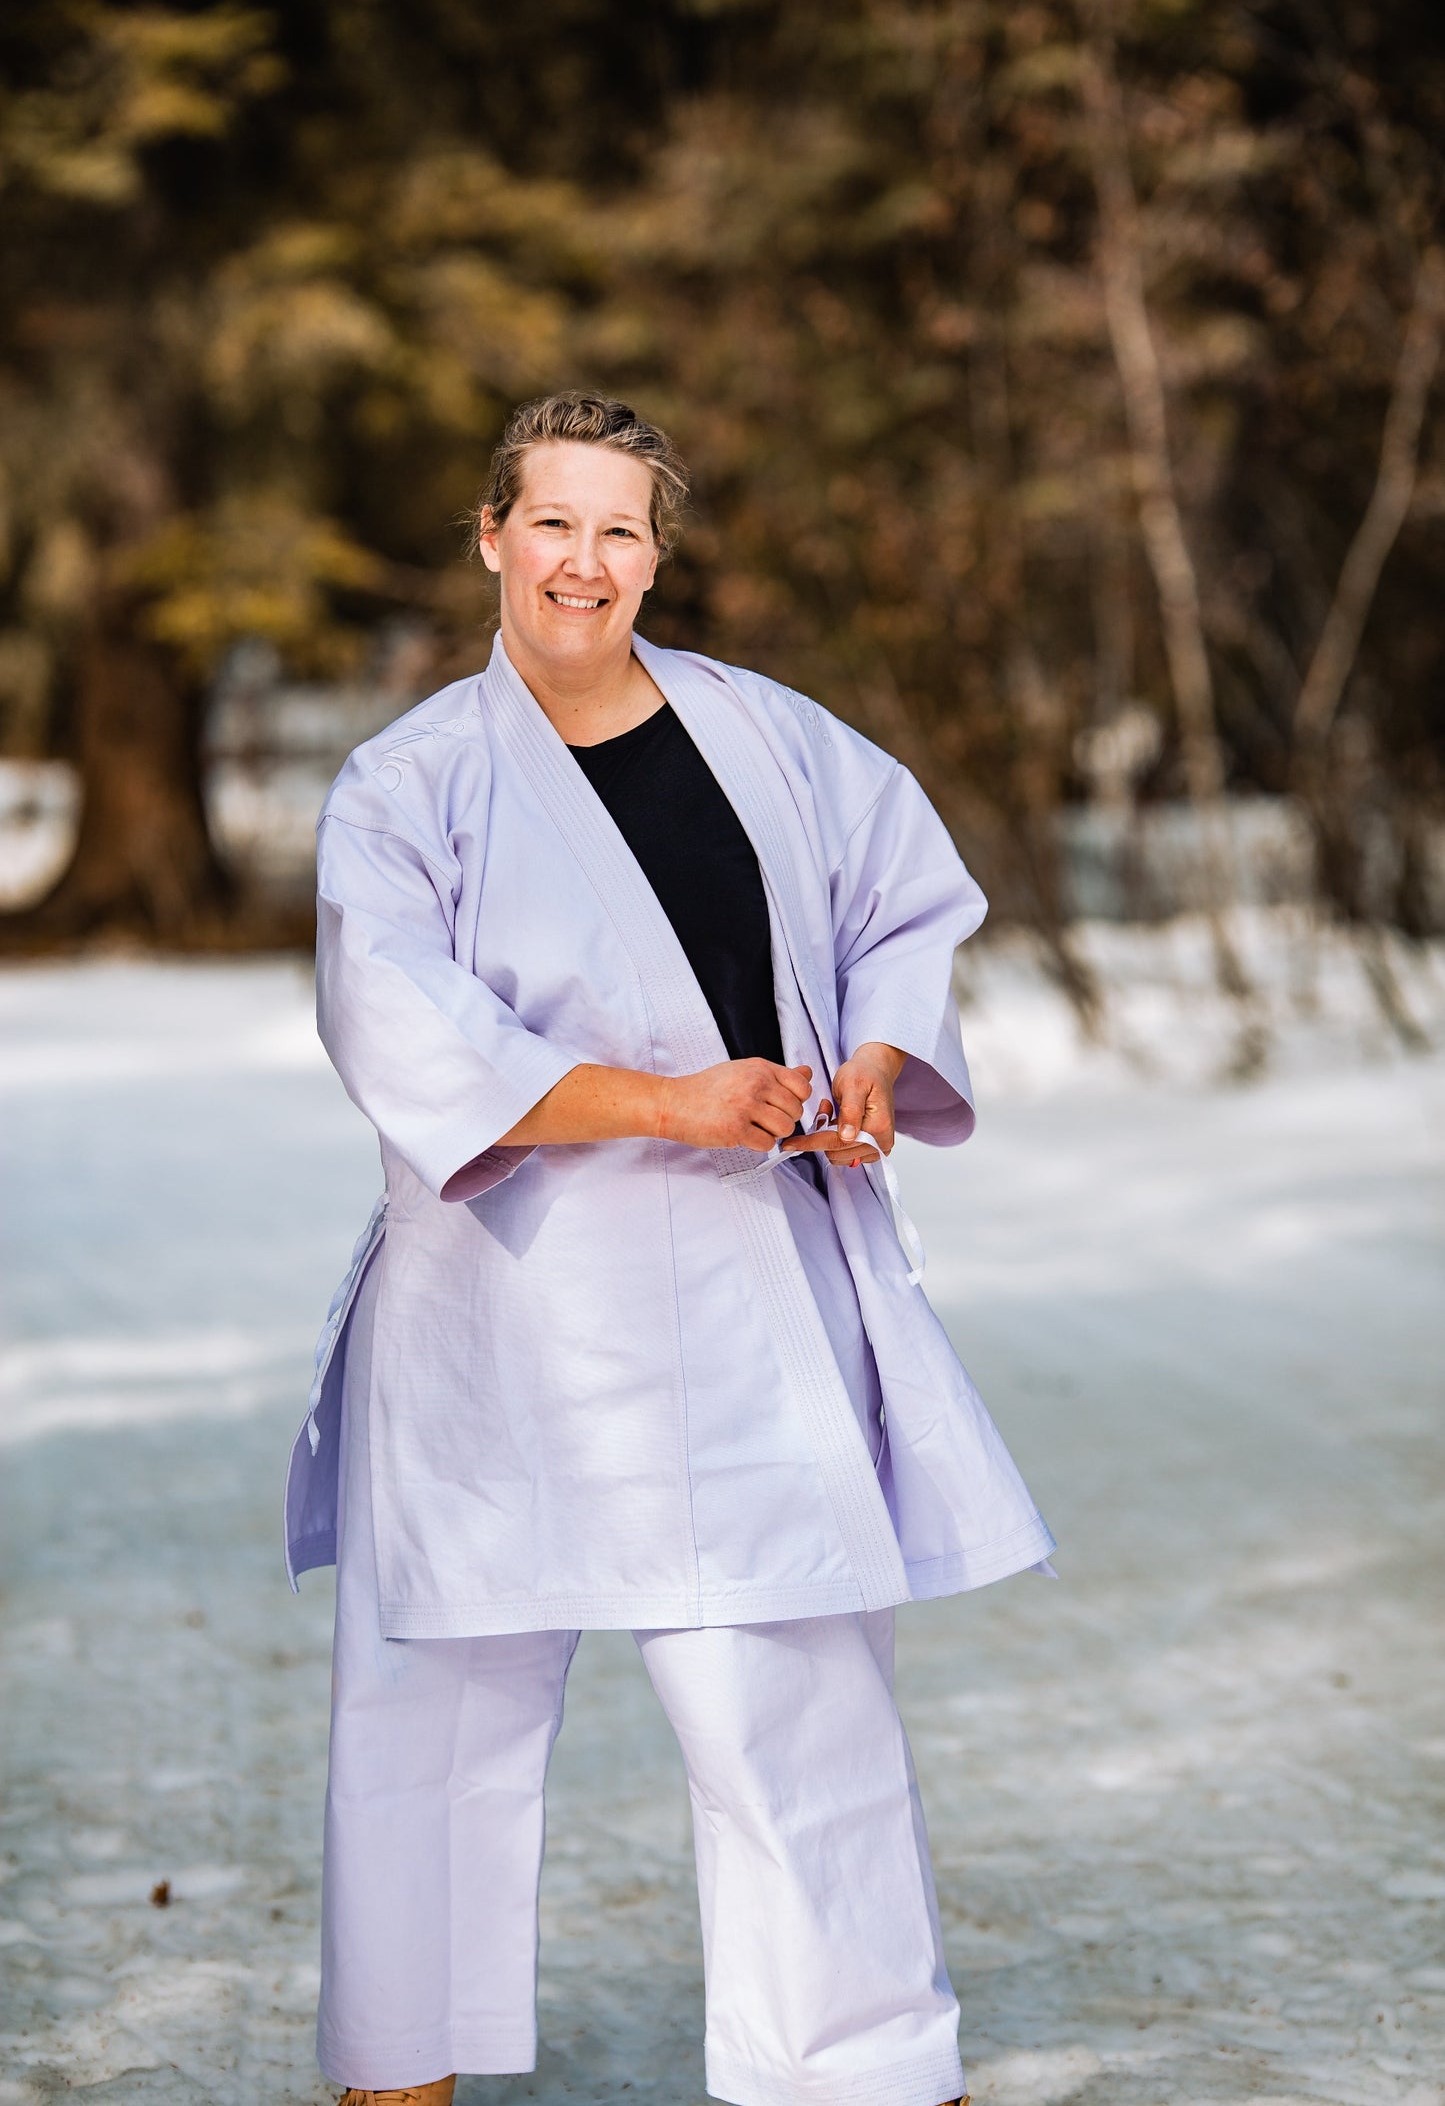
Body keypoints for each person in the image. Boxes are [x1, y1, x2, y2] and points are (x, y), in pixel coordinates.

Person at [285, 391, 1054, 2106]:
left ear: (657, 553)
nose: (585, 561)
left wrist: (868, 1058)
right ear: (490, 537)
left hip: (744, 1282)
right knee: (441, 1705)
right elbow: (393, 1021)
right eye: (552, 523)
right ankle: (405, 2061)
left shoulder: (764, 731)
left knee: (792, 1699)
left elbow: (900, 904)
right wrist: (660, 1100)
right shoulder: (404, 783)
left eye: (620, 529)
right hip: (502, 1298)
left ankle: (848, 2066)